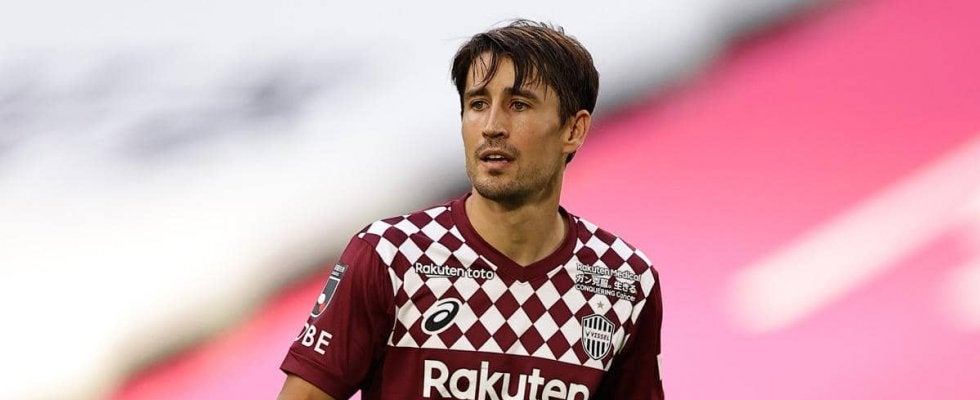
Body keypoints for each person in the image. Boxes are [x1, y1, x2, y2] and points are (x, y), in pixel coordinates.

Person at [278, 19, 664, 400]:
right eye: (478, 104)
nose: (492, 126)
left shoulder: (624, 280)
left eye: (518, 104)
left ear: (573, 130)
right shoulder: (390, 256)